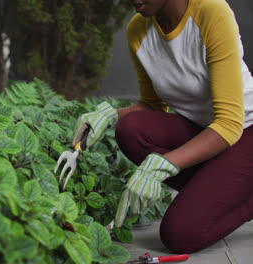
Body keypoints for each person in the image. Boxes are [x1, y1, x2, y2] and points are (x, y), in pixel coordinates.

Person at [72, 0, 253, 254]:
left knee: (180, 233)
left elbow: (229, 122)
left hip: (245, 130)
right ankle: (221, 187)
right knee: (130, 130)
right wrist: (112, 114)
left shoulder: (212, 12)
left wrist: (162, 165)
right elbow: (153, 104)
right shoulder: (138, 29)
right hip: (205, 131)